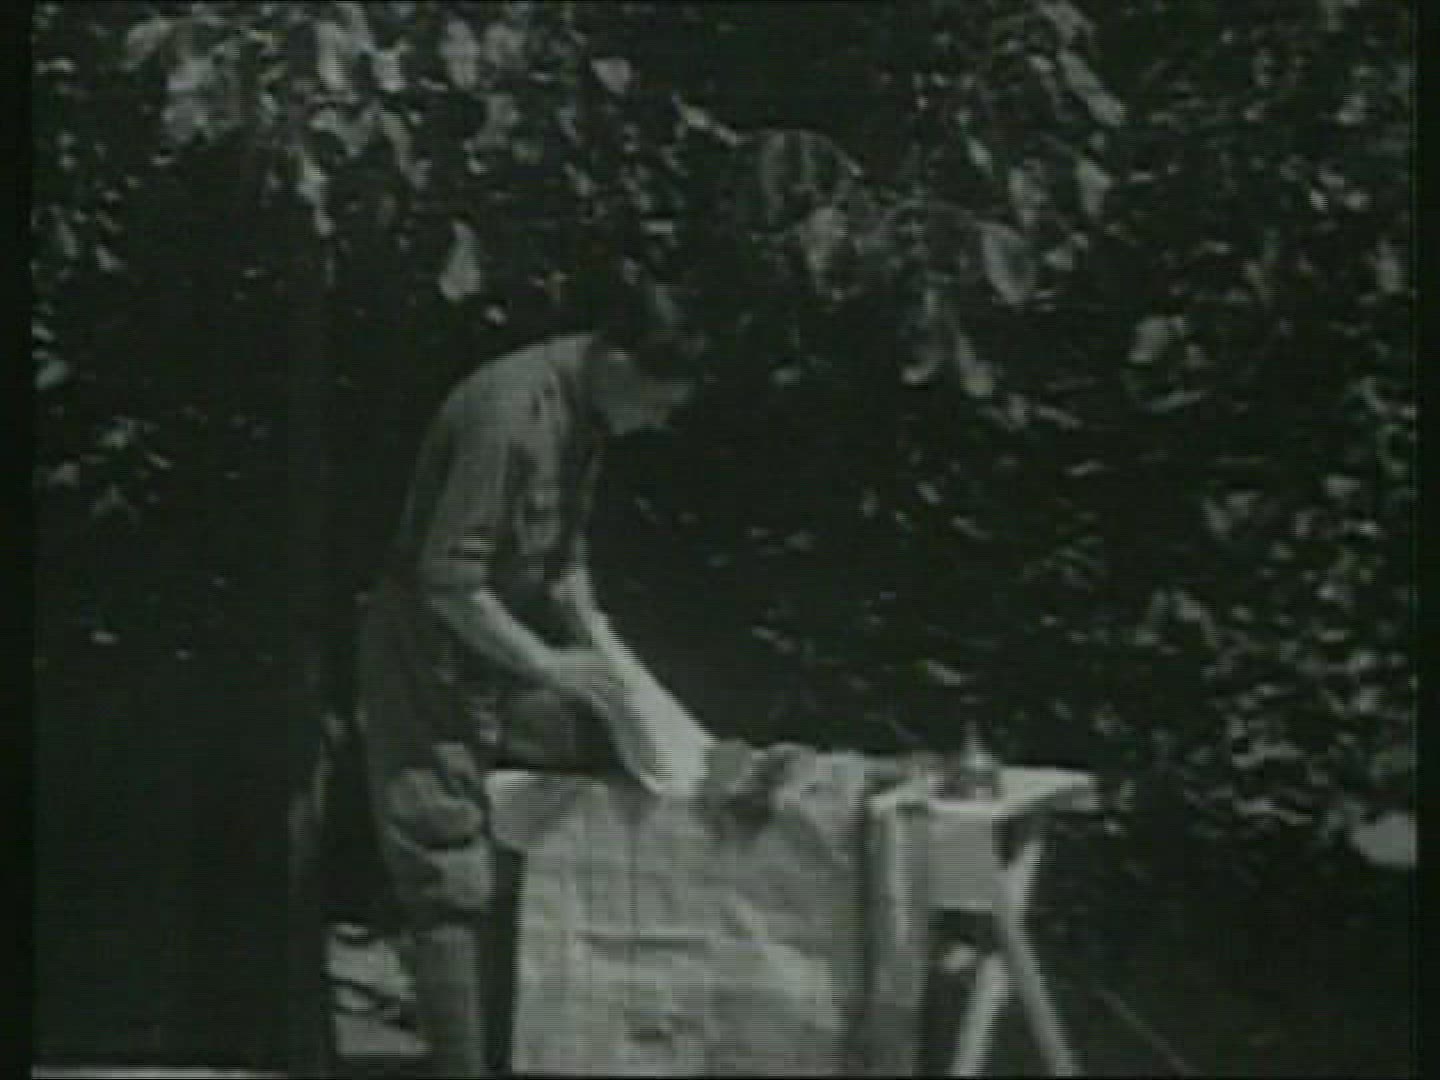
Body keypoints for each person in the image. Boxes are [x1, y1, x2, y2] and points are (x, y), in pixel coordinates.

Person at [355, 273, 702, 1076]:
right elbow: (449, 581)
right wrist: (550, 664)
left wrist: (609, 658)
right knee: (447, 871)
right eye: (655, 404)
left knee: (542, 826)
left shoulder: (587, 418)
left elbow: (564, 564)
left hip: (498, 645)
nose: (655, 424)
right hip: (430, 652)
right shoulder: (508, 415)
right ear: (616, 363)